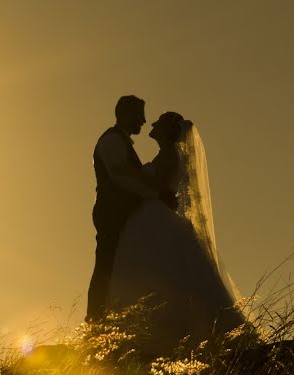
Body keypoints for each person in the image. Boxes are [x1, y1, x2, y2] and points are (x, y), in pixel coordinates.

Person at [106, 111, 246, 350]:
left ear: (168, 131)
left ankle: (163, 335)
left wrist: (130, 181)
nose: (152, 124)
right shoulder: (166, 154)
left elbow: (158, 186)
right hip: (151, 217)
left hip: (155, 219)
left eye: (158, 123)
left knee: (159, 272)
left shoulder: (170, 155)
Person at [86, 95, 175, 322]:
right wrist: (156, 194)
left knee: (118, 265)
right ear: (125, 114)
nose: (144, 121)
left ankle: (114, 318)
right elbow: (120, 176)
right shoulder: (112, 141)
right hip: (111, 212)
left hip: (121, 212)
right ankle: (95, 318)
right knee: (107, 264)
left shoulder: (120, 141)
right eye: (139, 115)